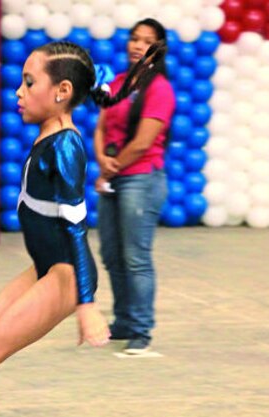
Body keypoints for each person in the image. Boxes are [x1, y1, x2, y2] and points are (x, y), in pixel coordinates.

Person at [0, 40, 166, 417]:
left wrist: (86, 304)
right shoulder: (49, 137)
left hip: (67, 274)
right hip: (46, 266)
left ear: (62, 92)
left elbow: (75, 229)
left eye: (30, 83)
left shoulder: (66, 147)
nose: (19, 91)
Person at [93, 18, 176, 355]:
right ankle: (124, 321)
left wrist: (113, 168)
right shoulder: (118, 83)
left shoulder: (160, 89)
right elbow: (101, 126)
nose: (137, 45)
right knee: (112, 255)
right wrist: (101, 158)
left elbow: (143, 142)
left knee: (136, 257)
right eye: (134, 39)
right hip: (114, 177)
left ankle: (141, 328)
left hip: (141, 178)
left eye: (146, 41)